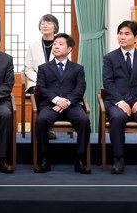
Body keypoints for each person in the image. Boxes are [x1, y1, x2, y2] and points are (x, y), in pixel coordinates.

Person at [103, 20, 137, 175]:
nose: (122, 37)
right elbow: (108, 82)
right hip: (117, 102)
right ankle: (118, 159)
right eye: (120, 33)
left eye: (127, 34)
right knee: (118, 118)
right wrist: (120, 101)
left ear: (136, 38)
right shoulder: (109, 58)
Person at [33, 33, 91, 174]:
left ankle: (80, 159)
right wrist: (57, 100)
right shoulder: (44, 68)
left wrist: (67, 101)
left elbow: (80, 88)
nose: (56, 46)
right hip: (50, 105)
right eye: (55, 44)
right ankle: (44, 159)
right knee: (41, 120)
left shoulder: (78, 68)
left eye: (60, 44)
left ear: (69, 48)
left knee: (83, 120)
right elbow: (41, 88)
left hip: (72, 105)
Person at [25, 14, 60, 139]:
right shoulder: (33, 45)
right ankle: (42, 126)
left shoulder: (62, 43)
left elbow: (66, 66)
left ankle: (48, 125)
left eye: (49, 23)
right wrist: (40, 79)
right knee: (39, 90)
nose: (45, 25)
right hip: (36, 81)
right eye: (43, 23)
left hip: (57, 81)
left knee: (57, 90)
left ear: (55, 27)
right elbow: (28, 69)